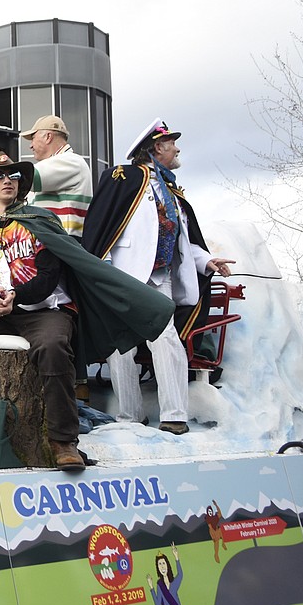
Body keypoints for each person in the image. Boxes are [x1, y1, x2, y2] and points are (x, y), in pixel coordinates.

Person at [0, 152, 175, 471]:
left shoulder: (39, 221)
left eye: (13, 176)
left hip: (46, 312)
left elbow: (49, 275)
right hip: (0, 316)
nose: (8, 180)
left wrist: (15, 295)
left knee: (52, 348)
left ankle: (63, 441)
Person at [83, 119, 235, 435]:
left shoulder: (174, 194)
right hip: (124, 278)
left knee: (165, 339)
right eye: (172, 143)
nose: (177, 149)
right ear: (157, 147)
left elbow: (186, 243)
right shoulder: (123, 179)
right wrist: (106, 272)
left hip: (160, 279)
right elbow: (103, 227)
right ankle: (129, 416)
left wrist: (208, 262)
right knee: (119, 347)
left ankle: (174, 415)